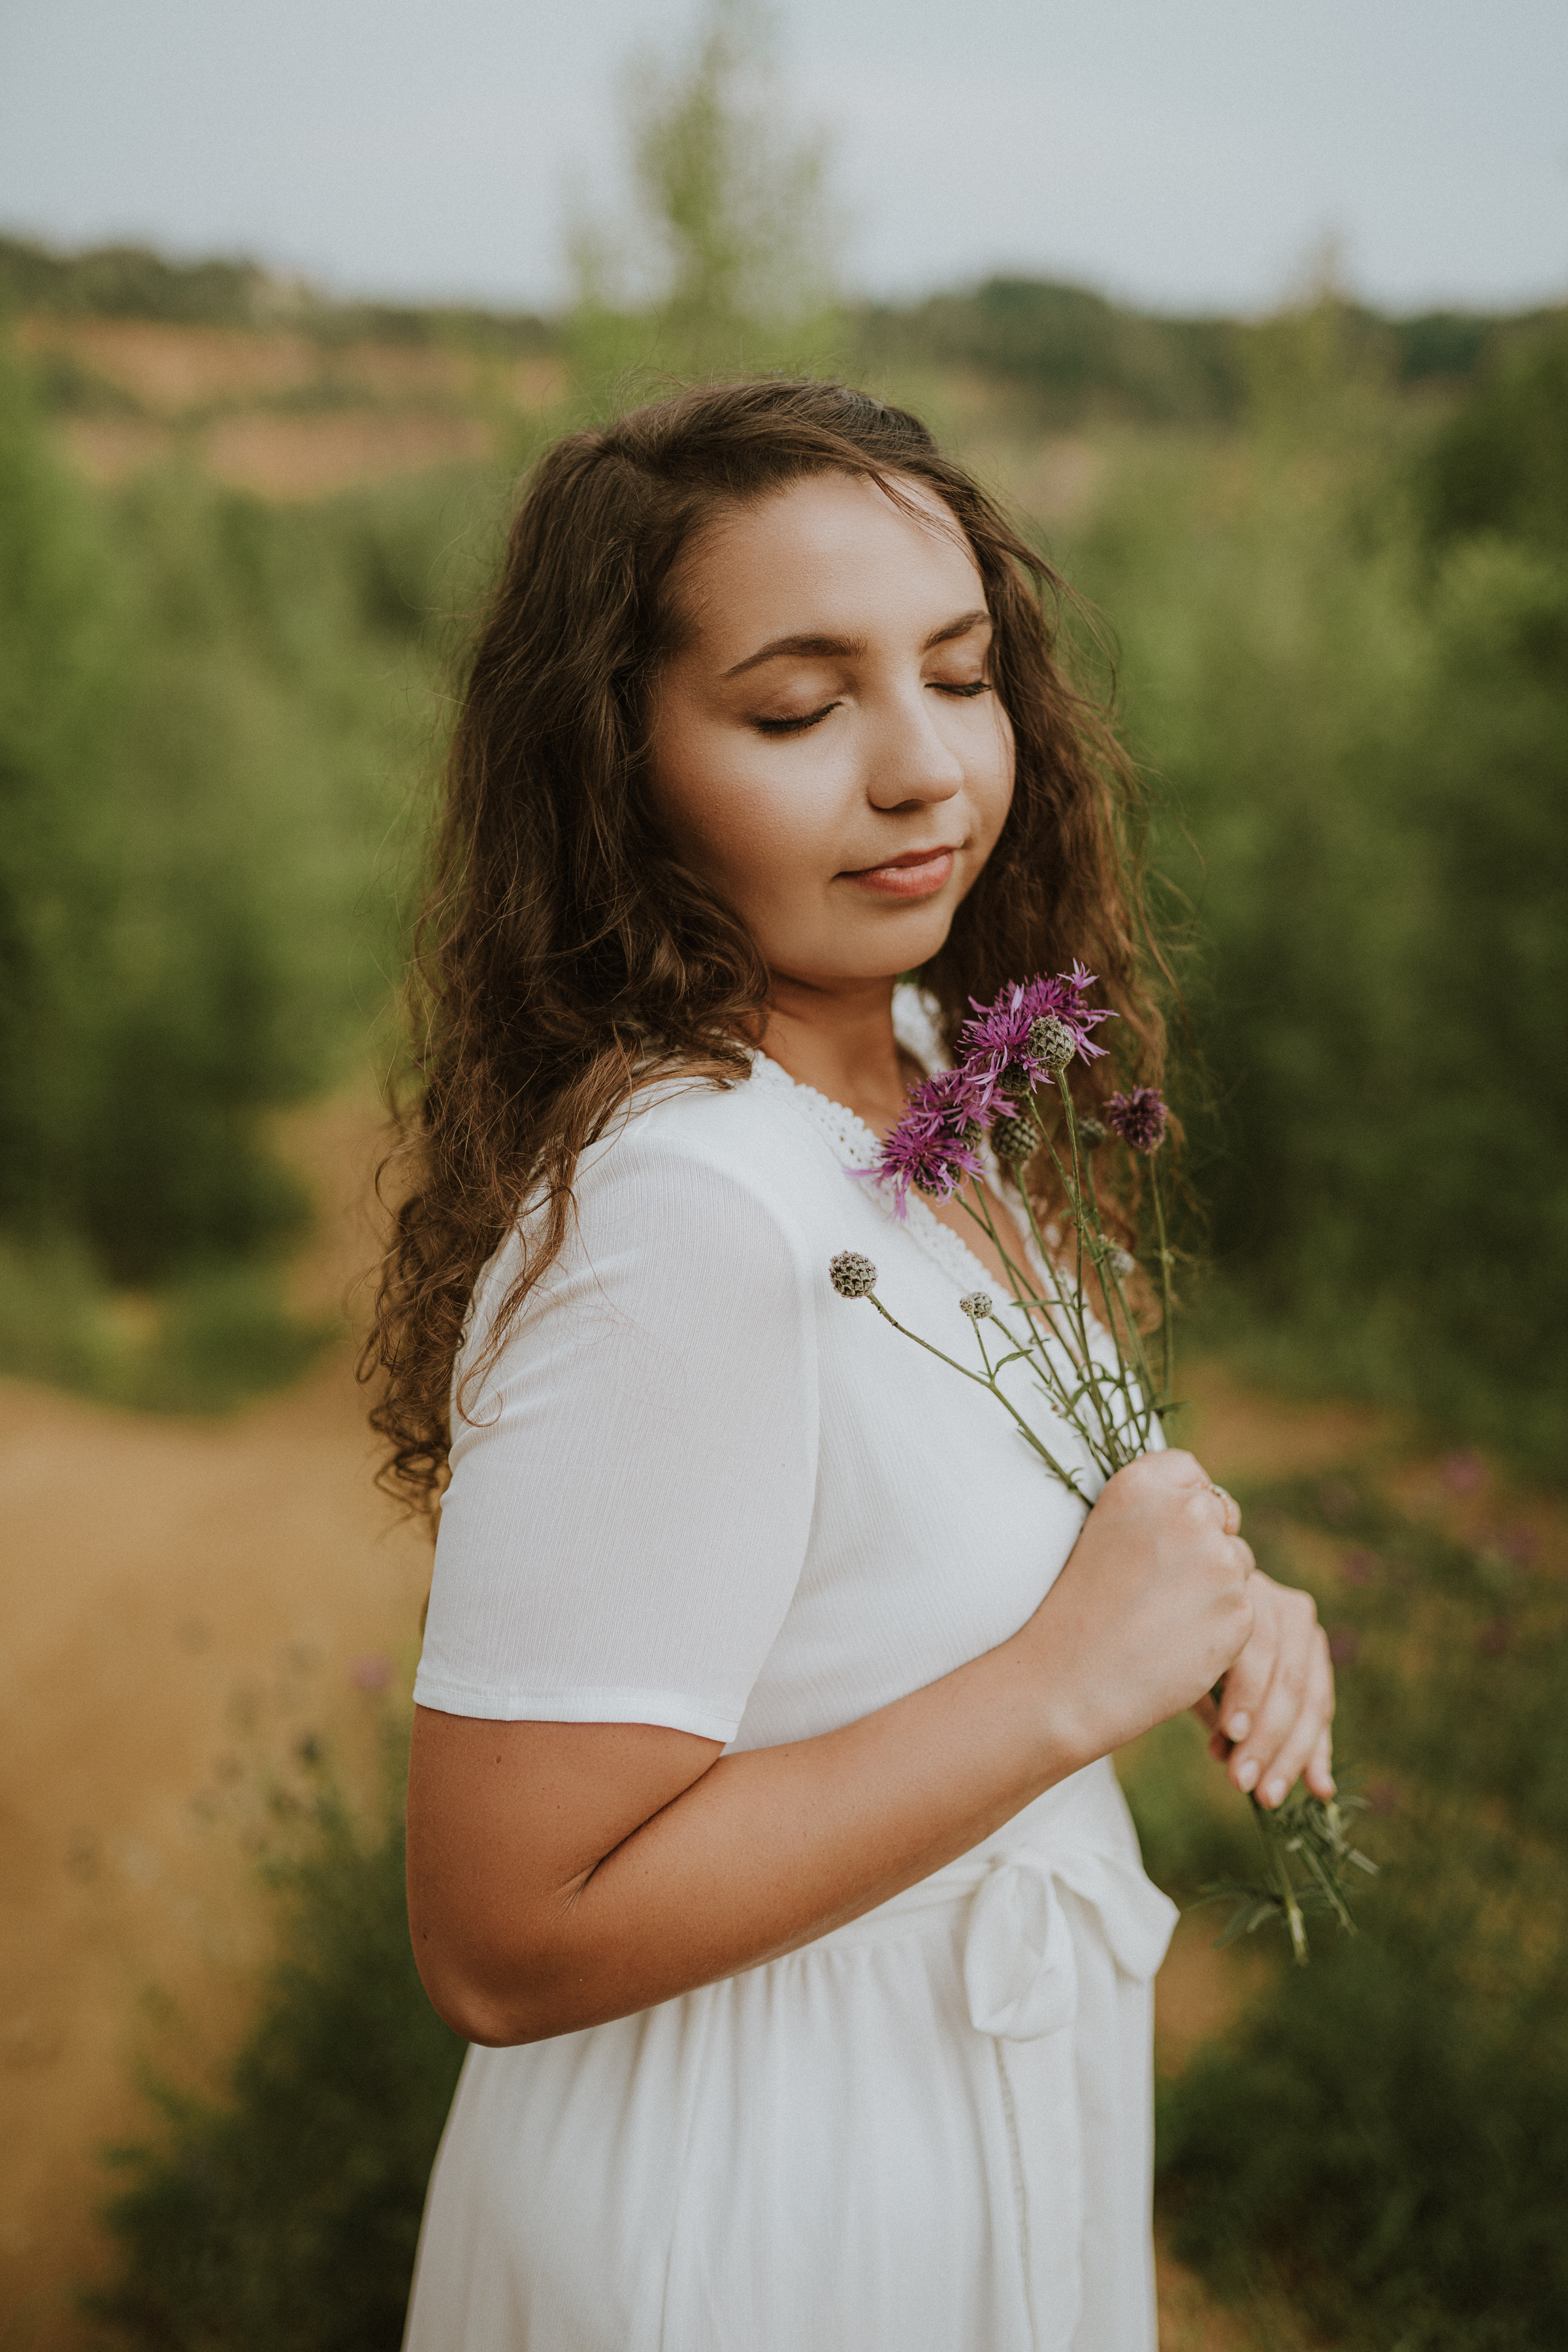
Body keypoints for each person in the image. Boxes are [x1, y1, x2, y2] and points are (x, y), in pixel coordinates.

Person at [367, 380, 1335, 2351]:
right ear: (615, 767)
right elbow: (497, 1934)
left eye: (963, 675)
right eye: (800, 710)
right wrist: (1069, 1682)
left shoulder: (930, 1088)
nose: (925, 772)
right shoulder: (686, 1211)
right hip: (755, 2205)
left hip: (960, 2123)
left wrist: (1216, 1604)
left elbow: (913, 1579)